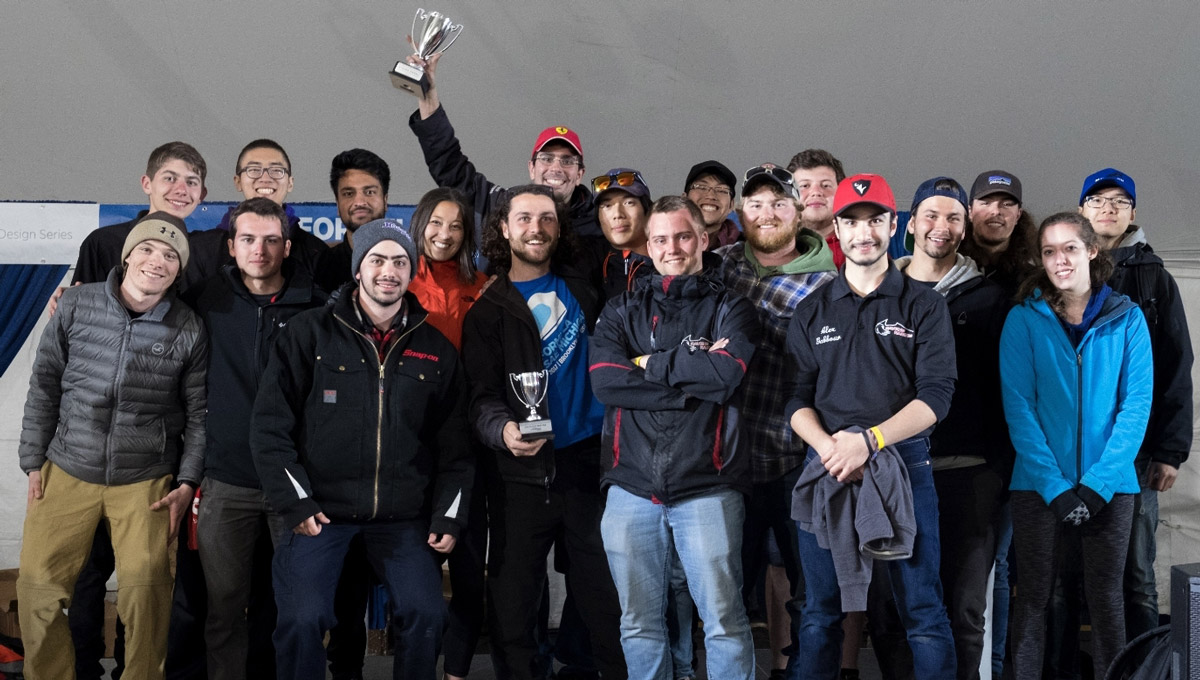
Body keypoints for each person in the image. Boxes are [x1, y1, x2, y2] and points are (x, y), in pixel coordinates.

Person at [251, 219, 473, 680]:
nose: (388, 271)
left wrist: (449, 515)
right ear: (358, 269)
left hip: (402, 519)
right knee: (301, 619)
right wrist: (297, 502)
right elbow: (271, 427)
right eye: (377, 259)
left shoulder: (435, 349)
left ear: (411, 271)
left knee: (427, 616)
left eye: (399, 261)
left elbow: (456, 448)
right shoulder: (308, 334)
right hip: (321, 515)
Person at [18, 214, 207, 680]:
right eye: (147, 250)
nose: (156, 261)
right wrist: (32, 461)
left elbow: (201, 414)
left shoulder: (189, 327)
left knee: (146, 595)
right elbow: (44, 384)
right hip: (67, 466)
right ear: (127, 256)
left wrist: (187, 481)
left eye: (169, 256)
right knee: (39, 589)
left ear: (178, 270)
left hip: (146, 478)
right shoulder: (76, 304)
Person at [786, 173, 957, 680]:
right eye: (853, 222)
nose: (865, 232)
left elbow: (936, 398)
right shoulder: (813, 309)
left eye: (876, 220)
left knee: (923, 611)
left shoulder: (924, 305)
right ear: (836, 228)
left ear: (893, 225)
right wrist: (830, 449)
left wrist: (871, 440)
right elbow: (796, 399)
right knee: (819, 614)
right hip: (829, 469)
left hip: (903, 466)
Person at [591, 195, 759, 679]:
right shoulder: (620, 310)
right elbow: (606, 381)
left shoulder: (735, 309)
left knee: (724, 622)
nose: (672, 248)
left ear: (703, 239)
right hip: (630, 487)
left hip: (709, 485)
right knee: (639, 623)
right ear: (647, 245)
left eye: (683, 236)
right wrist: (694, 386)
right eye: (660, 239)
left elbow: (726, 377)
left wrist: (648, 365)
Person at [461, 185, 626, 680]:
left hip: (588, 469)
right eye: (525, 218)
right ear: (504, 229)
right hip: (519, 474)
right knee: (513, 606)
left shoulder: (583, 287)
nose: (537, 228)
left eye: (548, 218)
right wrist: (503, 429)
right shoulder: (488, 310)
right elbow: (480, 396)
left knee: (605, 600)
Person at [1000, 212, 1152, 679]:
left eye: (1069, 247)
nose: (1059, 259)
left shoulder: (1127, 318)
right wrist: (1055, 487)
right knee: (1035, 599)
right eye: (1049, 251)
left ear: (1092, 251)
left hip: (1111, 487)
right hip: (1037, 486)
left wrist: (1098, 486)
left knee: (1107, 601)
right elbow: (1019, 408)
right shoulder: (1023, 319)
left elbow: (1136, 406)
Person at [185, 197, 327, 680]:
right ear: (231, 246)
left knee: (295, 609)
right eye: (248, 239)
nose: (259, 250)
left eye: (270, 240)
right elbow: (140, 298)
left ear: (287, 247)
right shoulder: (207, 299)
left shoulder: (317, 308)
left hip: (295, 486)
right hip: (226, 482)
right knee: (223, 608)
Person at [883, 178, 1012, 680]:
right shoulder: (879, 293)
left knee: (963, 611)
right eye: (931, 215)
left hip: (970, 473)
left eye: (954, 217)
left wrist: (1000, 468)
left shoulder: (994, 300)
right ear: (910, 223)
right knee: (894, 612)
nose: (942, 226)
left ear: (966, 228)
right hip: (893, 471)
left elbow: (1012, 391)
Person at [716, 164, 837, 679]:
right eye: (757, 205)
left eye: (778, 203)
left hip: (799, 459)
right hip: (729, 459)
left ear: (798, 210)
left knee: (813, 594)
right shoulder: (718, 266)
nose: (767, 214)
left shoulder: (829, 282)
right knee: (726, 595)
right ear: (743, 212)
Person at [406, 187, 489, 680]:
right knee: (415, 575)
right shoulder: (396, 277)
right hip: (410, 445)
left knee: (468, 570)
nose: (445, 234)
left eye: (456, 226)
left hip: (469, 444)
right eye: (436, 223)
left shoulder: (482, 286)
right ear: (420, 224)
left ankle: (456, 673)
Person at [405, 47, 602, 248]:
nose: (556, 168)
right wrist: (427, 96)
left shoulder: (601, 221)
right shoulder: (502, 204)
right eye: (547, 158)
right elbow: (449, 165)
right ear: (532, 168)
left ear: (580, 174)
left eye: (567, 161)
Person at [212, 139, 329, 280]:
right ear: (238, 182)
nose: (265, 178)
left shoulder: (316, 253)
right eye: (254, 170)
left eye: (276, 170)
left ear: (290, 183)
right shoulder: (205, 250)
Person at [314, 148, 391, 293]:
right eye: (349, 194)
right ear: (337, 204)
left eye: (369, 192)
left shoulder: (409, 265)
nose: (359, 202)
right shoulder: (320, 267)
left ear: (385, 200)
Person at [959, 171, 1037, 295]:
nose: (995, 211)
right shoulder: (948, 268)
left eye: (1006, 204)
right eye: (986, 203)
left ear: (1018, 215)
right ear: (970, 212)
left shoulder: (1033, 281)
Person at [593, 168, 654, 300]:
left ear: (647, 209)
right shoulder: (590, 265)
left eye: (628, 203)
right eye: (607, 205)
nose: (618, 214)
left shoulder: (671, 258)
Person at [787, 149, 847, 268]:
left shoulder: (862, 246)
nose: (816, 192)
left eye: (826, 185)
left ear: (841, 193)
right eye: (804, 186)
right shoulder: (775, 249)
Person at [683, 161, 741, 250]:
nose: (711, 196)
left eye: (721, 190)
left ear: (731, 205)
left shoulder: (748, 251)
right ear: (684, 199)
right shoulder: (660, 242)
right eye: (701, 187)